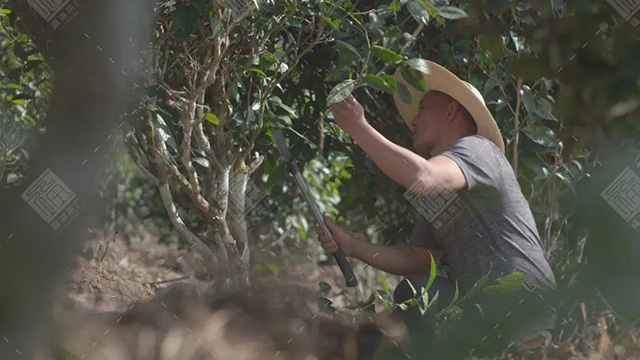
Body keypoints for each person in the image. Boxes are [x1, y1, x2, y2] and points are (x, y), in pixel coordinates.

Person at [317, 59, 557, 352]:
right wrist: (352, 246)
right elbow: (417, 258)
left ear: (451, 110)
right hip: (482, 309)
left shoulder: (478, 148)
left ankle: (527, 345)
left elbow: (423, 176)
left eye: (422, 109)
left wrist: (358, 127)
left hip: (522, 306)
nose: (414, 121)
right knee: (413, 291)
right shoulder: (441, 186)